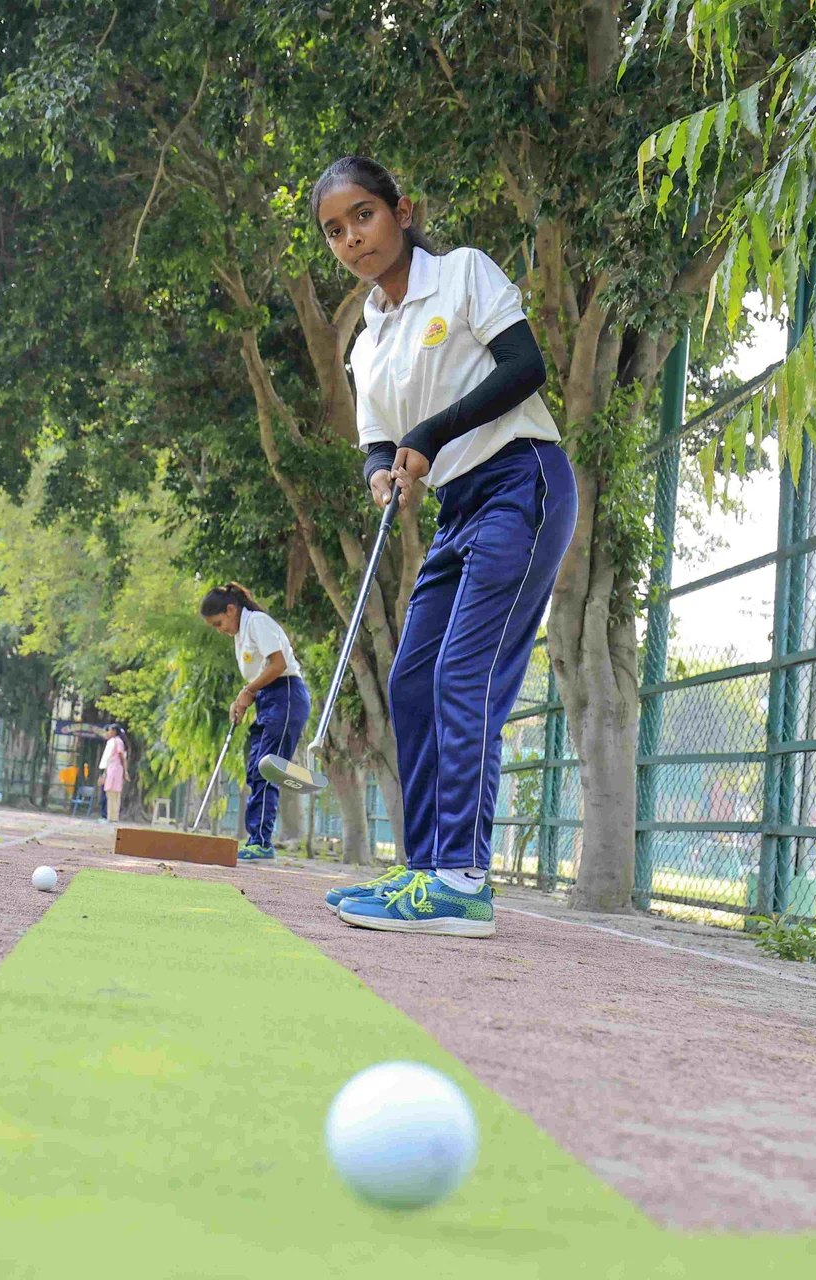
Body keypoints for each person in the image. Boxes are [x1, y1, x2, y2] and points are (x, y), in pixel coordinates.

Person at [312, 157, 576, 938]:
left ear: (401, 210)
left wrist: (431, 434)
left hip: (520, 482)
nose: (352, 238)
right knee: (412, 680)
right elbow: (376, 442)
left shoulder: (460, 275)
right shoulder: (368, 338)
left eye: (363, 215)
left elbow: (526, 366)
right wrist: (377, 474)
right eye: (334, 230)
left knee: (466, 673)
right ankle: (425, 868)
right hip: (458, 508)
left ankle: (463, 879)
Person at [201, 583, 310, 859]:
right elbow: (258, 676)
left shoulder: (258, 622)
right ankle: (257, 838)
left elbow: (278, 664)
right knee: (255, 768)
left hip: (286, 695)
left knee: (266, 768)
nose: (219, 629)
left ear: (231, 609)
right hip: (269, 700)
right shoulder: (242, 632)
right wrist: (245, 697)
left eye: (219, 623)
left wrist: (248, 691)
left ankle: (261, 842)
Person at [98, 723, 132, 824]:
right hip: (111, 768)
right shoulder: (113, 742)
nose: (108, 732)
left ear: (114, 731)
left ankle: (113, 816)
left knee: (113, 793)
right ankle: (111, 816)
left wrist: (125, 771)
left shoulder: (118, 742)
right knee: (110, 793)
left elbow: (122, 757)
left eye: (110, 730)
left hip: (115, 769)